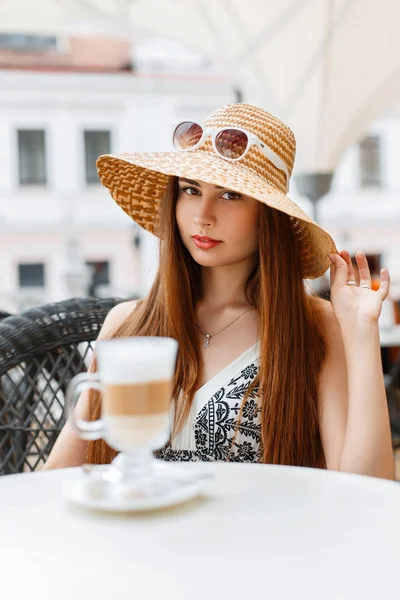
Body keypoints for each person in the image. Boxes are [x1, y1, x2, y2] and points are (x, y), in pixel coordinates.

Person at [44, 104, 394, 479]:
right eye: (190, 190)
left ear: (269, 216)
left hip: (262, 536)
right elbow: (53, 480)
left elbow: (366, 489)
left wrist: (361, 333)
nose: (203, 215)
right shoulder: (129, 325)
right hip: (140, 533)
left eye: (230, 195)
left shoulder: (315, 328)